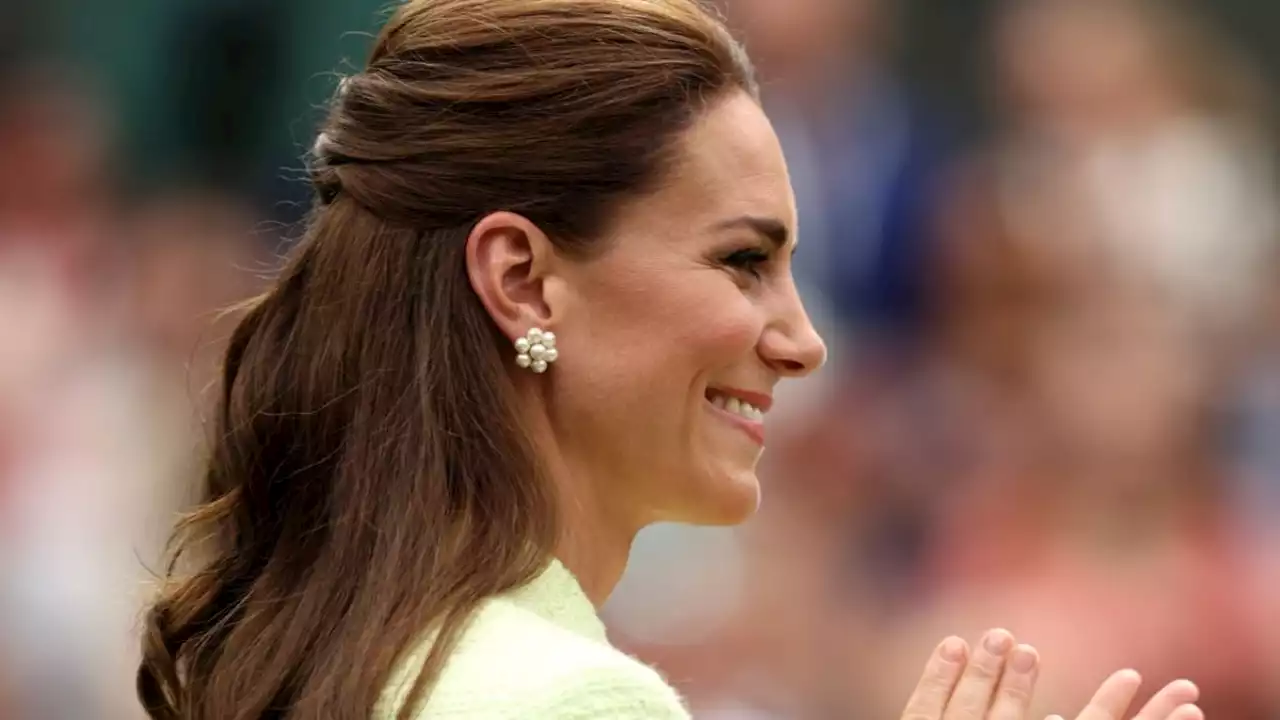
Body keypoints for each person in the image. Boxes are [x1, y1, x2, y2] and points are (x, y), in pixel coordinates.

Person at [134, 1, 1205, 718]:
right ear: (519, 279)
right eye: (742, 261)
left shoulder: (319, 655)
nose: (802, 341)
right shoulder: (569, 698)